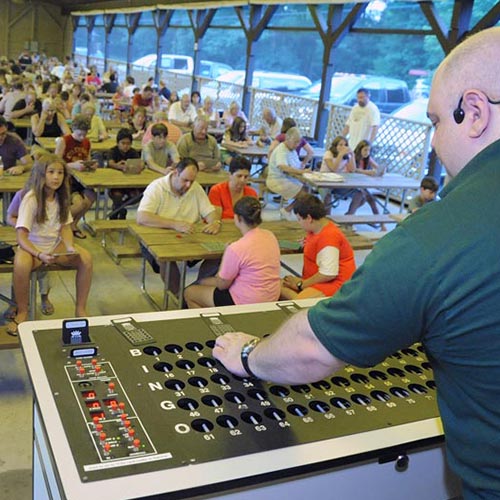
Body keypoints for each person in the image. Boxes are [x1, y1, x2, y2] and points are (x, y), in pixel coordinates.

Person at [212, 27, 500, 498]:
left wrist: (248, 355)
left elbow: (312, 349)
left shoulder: (439, 237)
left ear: (474, 113)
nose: (435, 143)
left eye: (435, 122)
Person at [6, 153, 93, 336]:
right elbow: (21, 237)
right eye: (51, 172)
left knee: (85, 258)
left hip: (54, 246)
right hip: (31, 247)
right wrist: (38, 254)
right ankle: (22, 311)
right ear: (41, 174)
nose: (56, 177)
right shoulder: (30, 198)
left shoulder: (61, 198)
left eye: (60, 173)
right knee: (20, 263)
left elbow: (65, 228)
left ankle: (80, 309)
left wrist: (69, 246)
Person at [136, 157, 221, 293]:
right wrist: (174, 224)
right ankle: (178, 297)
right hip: (157, 238)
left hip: (187, 237)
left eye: (191, 181)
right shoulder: (156, 187)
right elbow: (142, 217)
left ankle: (195, 290)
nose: (188, 185)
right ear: (175, 173)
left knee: (221, 253)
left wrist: (215, 222)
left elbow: (210, 211)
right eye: (185, 180)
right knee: (167, 258)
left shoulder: (195, 188)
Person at [184, 196, 281, 308]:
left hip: (247, 301)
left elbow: (222, 285)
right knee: (205, 283)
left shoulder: (236, 248)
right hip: (271, 296)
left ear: (238, 218)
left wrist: (225, 255)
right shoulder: (270, 236)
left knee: (190, 292)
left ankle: (209, 323)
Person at [280, 194, 356, 300]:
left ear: (309, 218)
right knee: (277, 285)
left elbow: (328, 274)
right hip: (319, 279)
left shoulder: (329, 238)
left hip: (335, 283)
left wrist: (301, 284)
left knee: (292, 297)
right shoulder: (317, 228)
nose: (299, 223)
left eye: (299, 219)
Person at [4, 172, 55, 320]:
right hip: (26, 238)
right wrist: (23, 225)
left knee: (45, 270)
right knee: (19, 270)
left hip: (43, 241)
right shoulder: (23, 195)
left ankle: (44, 297)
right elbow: (10, 216)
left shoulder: (52, 197)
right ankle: (16, 303)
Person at [54, 114, 97, 239]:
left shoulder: (87, 142)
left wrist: (91, 165)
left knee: (91, 197)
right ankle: (59, 223)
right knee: (80, 204)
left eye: (84, 134)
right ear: (73, 129)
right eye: (79, 135)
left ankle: (73, 225)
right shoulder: (64, 141)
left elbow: (87, 159)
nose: (82, 137)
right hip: (67, 180)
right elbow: (55, 164)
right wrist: (73, 165)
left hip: (81, 180)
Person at [266, 126, 310, 220]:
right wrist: (301, 172)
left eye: (298, 142)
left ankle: (290, 210)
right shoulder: (281, 149)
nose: (297, 145)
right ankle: (288, 210)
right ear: (288, 139)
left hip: (287, 178)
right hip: (276, 180)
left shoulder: (291, 150)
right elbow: (283, 166)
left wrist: (304, 170)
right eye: (295, 142)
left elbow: (296, 165)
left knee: (307, 190)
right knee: (305, 195)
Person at [344, 140, 386, 228]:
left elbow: (377, 167)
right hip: (349, 183)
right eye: (365, 150)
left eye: (369, 150)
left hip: (361, 185)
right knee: (368, 198)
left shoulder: (367, 158)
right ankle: (381, 223)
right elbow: (354, 170)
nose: (367, 152)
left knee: (366, 198)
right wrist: (368, 172)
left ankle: (349, 216)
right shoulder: (353, 156)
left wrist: (381, 170)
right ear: (360, 149)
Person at [108, 128, 144, 219]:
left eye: (128, 144)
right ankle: (118, 211)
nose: (125, 146)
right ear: (117, 143)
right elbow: (110, 163)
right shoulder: (113, 151)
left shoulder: (133, 152)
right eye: (123, 143)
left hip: (130, 184)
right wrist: (118, 166)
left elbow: (141, 163)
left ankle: (119, 208)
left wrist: (137, 167)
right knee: (117, 196)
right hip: (115, 184)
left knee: (138, 195)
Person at [319, 135, 355, 208]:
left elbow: (352, 169)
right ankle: (327, 216)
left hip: (338, 182)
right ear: (335, 146)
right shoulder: (328, 153)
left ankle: (350, 214)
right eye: (340, 145)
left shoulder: (347, 156)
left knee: (360, 194)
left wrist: (352, 155)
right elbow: (333, 169)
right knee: (327, 197)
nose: (343, 147)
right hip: (325, 181)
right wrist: (340, 155)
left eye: (345, 145)